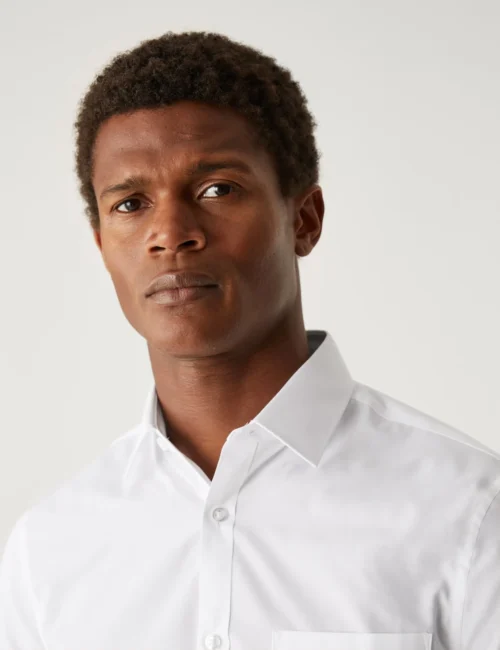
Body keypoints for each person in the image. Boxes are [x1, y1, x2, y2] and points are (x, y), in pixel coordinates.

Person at [0, 30, 498, 650]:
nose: (171, 234)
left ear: (304, 219)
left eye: (218, 189)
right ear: (103, 247)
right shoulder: (48, 551)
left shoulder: (469, 513)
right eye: (130, 204)